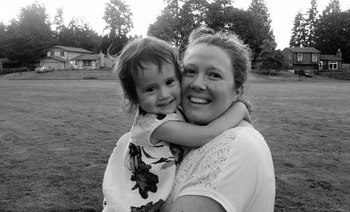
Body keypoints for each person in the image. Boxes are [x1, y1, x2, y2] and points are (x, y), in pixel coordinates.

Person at [102, 37, 250, 212]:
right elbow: (206, 134)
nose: (164, 94)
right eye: (150, 89)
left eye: (170, 82)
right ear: (135, 97)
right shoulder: (155, 125)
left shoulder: (168, 111)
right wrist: (240, 109)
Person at [161, 27, 275, 212]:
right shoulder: (182, 135)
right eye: (190, 71)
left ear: (237, 90)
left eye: (214, 75)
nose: (197, 84)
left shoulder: (237, 148)